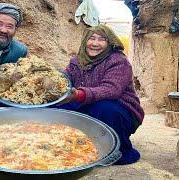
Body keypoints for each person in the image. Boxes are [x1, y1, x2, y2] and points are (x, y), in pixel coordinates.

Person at [57, 24, 144, 165]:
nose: (95, 44)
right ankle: (72, 146)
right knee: (58, 105)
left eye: (101, 39)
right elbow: (64, 79)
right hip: (87, 104)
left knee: (104, 107)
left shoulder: (118, 61)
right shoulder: (76, 61)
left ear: (110, 42)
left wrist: (79, 94)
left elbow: (111, 90)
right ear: (85, 41)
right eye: (91, 38)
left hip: (121, 112)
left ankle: (116, 151)